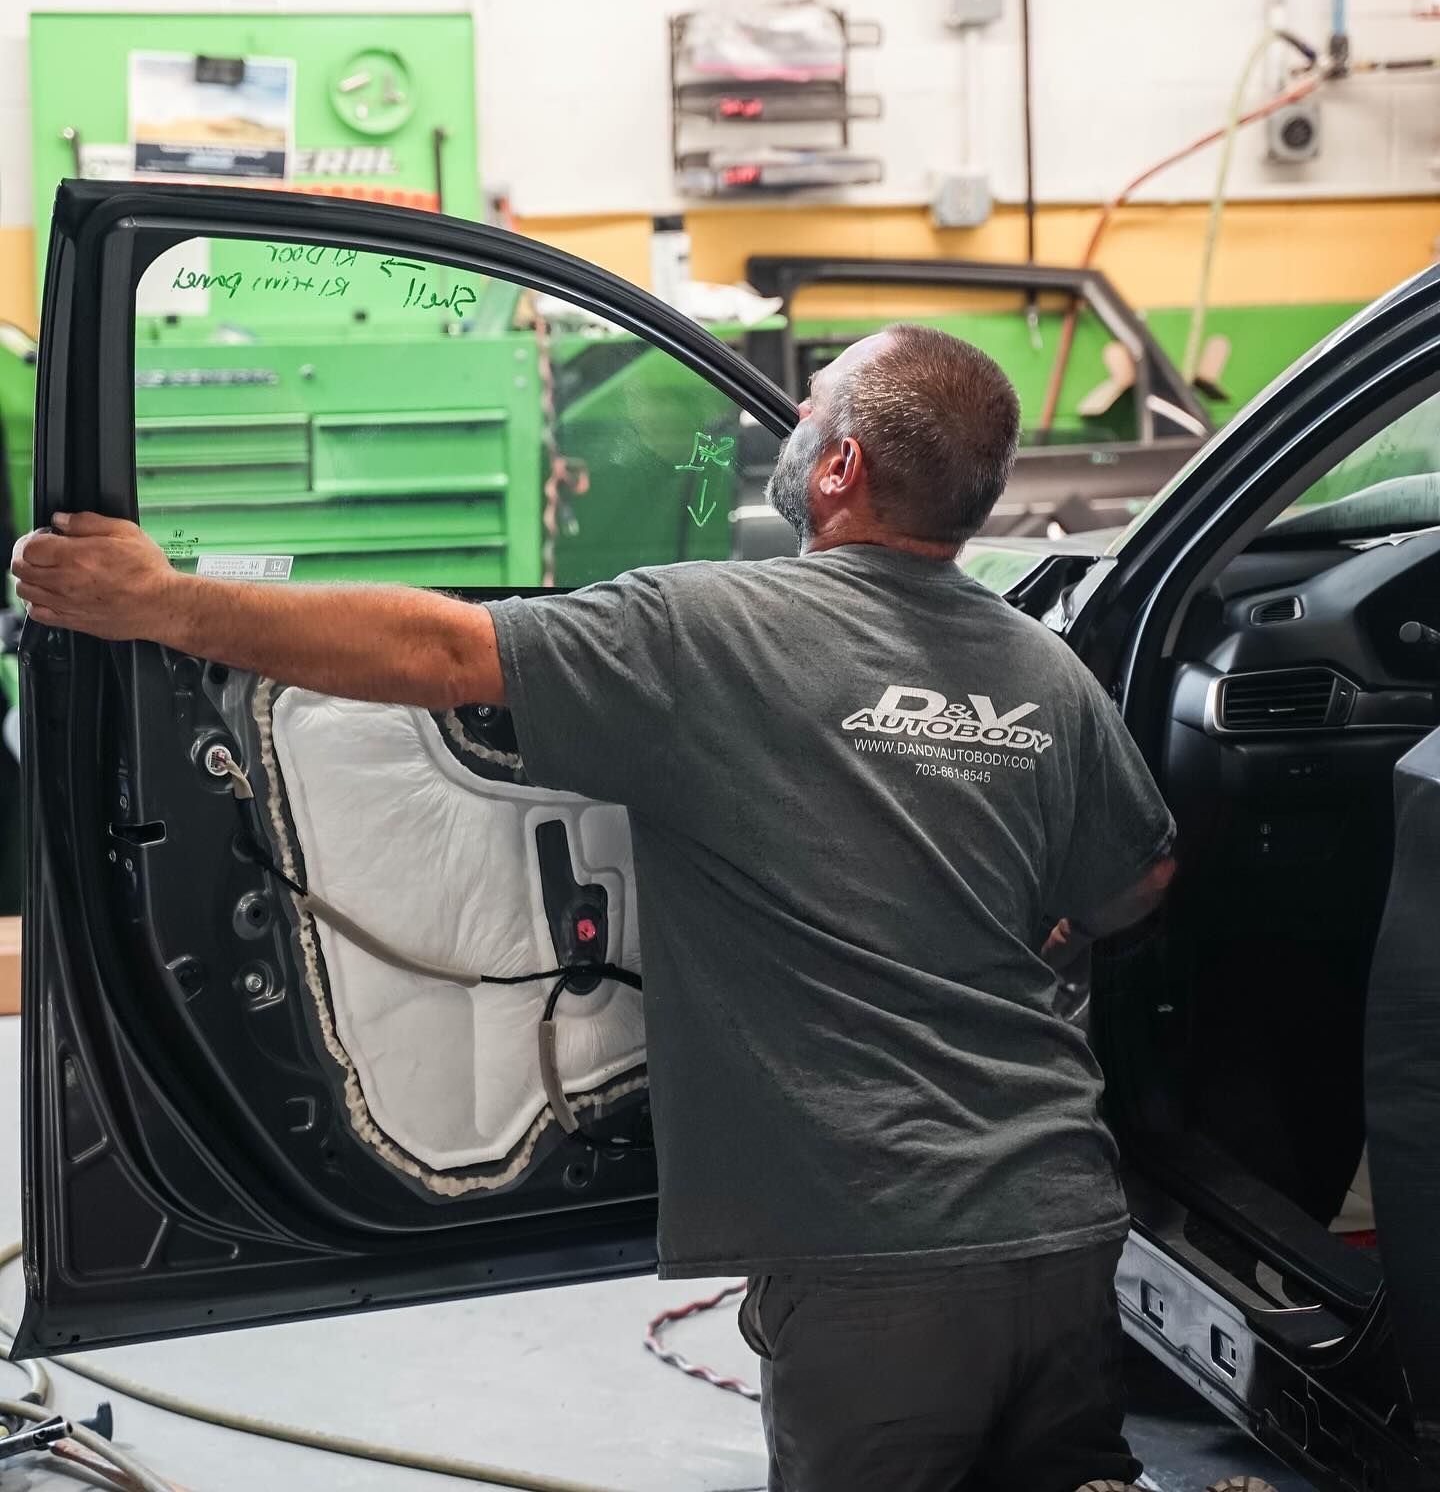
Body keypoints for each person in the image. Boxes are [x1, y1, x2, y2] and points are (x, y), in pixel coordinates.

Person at [14, 323, 1195, 1492]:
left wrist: (165, 605)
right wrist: (1043, 923)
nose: (792, 423)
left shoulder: (705, 634)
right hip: (1063, 1216)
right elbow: (1137, 877)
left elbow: (436, 652)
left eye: (810, 407)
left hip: (873, 1243)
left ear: (840, 469)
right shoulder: (1047, 674)